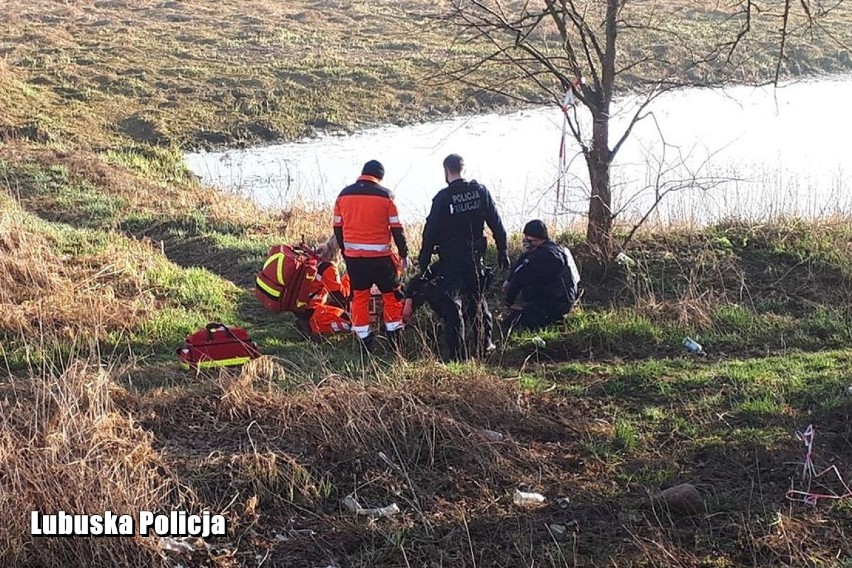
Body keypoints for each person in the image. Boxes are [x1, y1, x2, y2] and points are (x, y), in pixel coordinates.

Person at [417, 154, 509, 360]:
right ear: (464, 169)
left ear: (446, 171)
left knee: (452, 303)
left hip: (451, 257)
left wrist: (423, 261)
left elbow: (430, 232)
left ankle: (457, 353)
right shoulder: (480, 192)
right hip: (475, 255)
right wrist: (503, 249)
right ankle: (484, 343)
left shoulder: (442, 198)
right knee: (477, 298)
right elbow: (496, 223)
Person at [333, 160, 408, 350]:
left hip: (355, 259)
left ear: (363, 173)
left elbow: (337, 227)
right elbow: (397, 228)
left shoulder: (343, 195)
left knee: (359, 297)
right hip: (381, 259)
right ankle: (394, 336)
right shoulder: (386, 196)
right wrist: (403, 253)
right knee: (391, 296)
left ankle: (363, 338)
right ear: (379, 177)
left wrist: (345, 250)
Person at [502, 219, 579, 330]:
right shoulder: (561, 249)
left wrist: (510, 301)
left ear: (536, 239)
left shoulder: (542, 257)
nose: (525, 242)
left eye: (528, 240)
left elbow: (520, 277)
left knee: (511, 323)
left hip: (554, 305)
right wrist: (509, 279)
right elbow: (523, 259)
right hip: (567, 298)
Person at [293, 236, 353, 338]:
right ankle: (313, 326)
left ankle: (308, 322)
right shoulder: (329, 268)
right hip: (311, 310)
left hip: (300, 306)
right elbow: (341, 298)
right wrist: (351, 278)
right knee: (351, 322)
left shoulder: (316, 256)